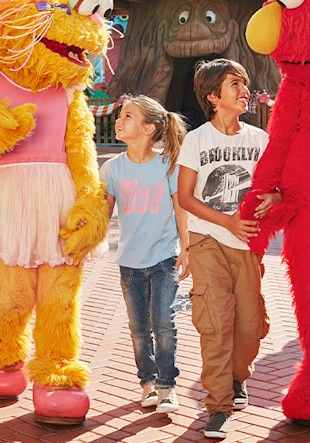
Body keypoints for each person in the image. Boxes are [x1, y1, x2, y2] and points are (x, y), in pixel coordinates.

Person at [175, 59, 278, 439]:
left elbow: (277, 185)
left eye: (245, 83)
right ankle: (217, 406)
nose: (244, 90)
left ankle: (238, 376)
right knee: (216, 322)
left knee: (250, 327)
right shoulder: (196, 140)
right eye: (235, 84)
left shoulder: (260, 139)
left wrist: (275, 197)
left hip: (248, 243)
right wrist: (227, 222)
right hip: (207, 239)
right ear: (213, 96)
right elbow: (186, 198)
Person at [101, 95, 189, 415]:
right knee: (139, 327)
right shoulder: (112, 168)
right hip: (129, 262)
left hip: (165, 257)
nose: (119, 121)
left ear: (148, 128)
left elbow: (181, 210)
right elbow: (102, 212)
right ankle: (147, 383)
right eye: (120, 116)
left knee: (163, 322)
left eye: (128, 116)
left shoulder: (168, 164)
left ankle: (167, 386)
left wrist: (187, 248)